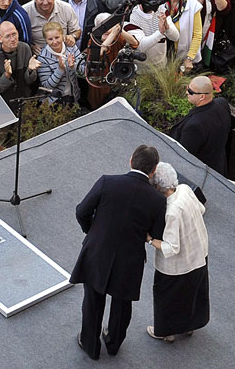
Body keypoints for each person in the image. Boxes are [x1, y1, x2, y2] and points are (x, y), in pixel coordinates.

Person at [70, 144, 166, 360]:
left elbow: (81, 211)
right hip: (130, 259)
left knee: (93, 300)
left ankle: (90, 345)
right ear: (153, 170)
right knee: (122, 304)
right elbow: (157, 233)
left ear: (131, 160)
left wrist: (92, 230)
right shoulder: (158, 200)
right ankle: (113, 343)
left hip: (97, 252)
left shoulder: (107, 182)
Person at [147, 162, 210, 343]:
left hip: (176, 266)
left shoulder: (171, 211)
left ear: (157, 186)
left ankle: (166, 332)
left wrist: (151, 240)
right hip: (199, 253)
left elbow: (171, 247)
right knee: (191, 294)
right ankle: (189, 326)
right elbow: (202, 209)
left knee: (167, 298)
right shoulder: (185, 190)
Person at [170, 76, 232, 175]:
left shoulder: (194, 126)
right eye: (187, 88)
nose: (187, 92)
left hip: (202, 173)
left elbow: (184, 156)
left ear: (202, 96)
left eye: (190, 91)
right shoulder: (222, 103)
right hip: (220, 164)